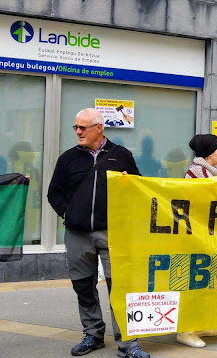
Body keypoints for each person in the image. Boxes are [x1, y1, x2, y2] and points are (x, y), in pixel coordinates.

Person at [47, 108, 149, 358]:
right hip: (77, 234)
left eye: (83, 127)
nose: (78, 132)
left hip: (113, 233)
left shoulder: (121, 155)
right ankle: (93, 334)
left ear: (99, 128)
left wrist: (129, 183)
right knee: (83, 285)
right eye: (76, 127)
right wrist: (69, 214)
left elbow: (139, 189)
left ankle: (127, 342)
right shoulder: (68, 158)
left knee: (119, 287)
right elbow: (54, 193)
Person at [176, 134, 217, 347]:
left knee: (205, 279)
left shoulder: (210, 172)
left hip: (207, 235)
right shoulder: (196, 174)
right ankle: (185, 330)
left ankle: (199, 323)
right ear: (208, 153)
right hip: (196, 237)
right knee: (193, 280)